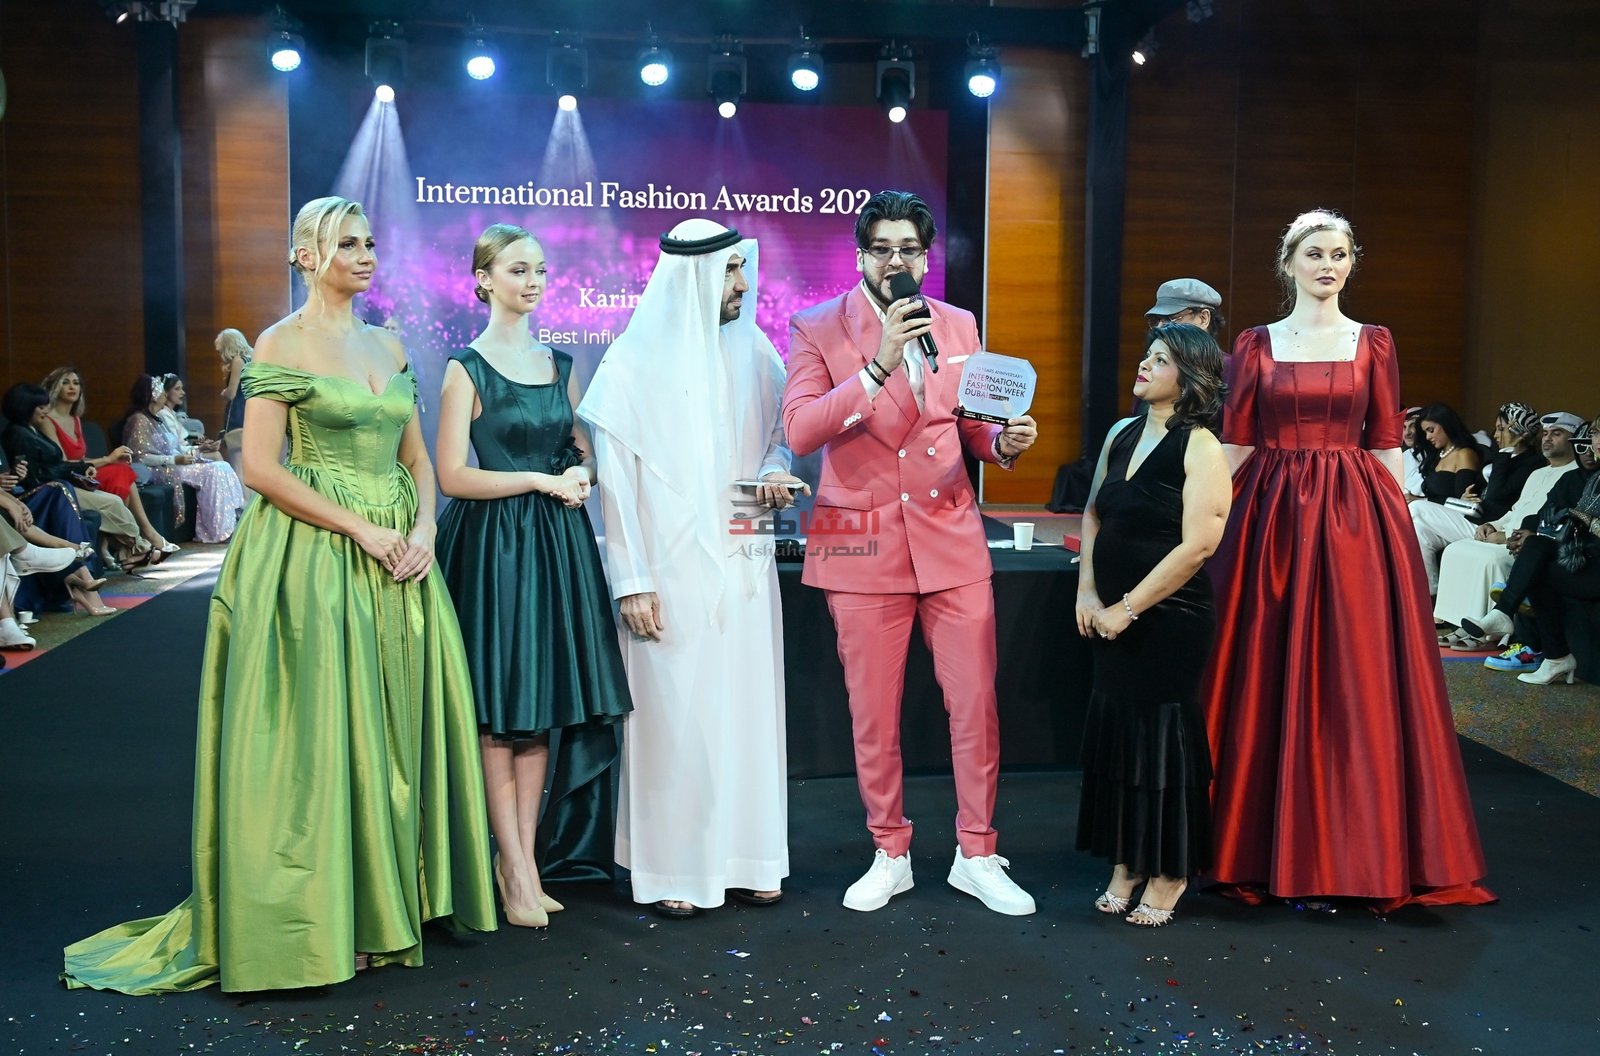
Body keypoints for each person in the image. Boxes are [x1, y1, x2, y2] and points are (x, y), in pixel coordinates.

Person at [61, 195, 495, 995]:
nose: (365, 256)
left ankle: (389, 899)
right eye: (346, 244)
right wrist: (361, 530)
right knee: (325, 732)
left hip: (402, 555)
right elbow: (259, 468)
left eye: (369, 243)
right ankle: (328, 912)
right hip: (315, 556)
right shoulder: (279, 342)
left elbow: (417, 459)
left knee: (392, 724)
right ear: (305, 256)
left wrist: (425, 529)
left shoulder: (389, 342)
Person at [1201, 208, 1492, 909]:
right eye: (1313, 254)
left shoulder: (1375, 343)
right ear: (1288, 263)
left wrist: (1400, 541)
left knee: (1355, 673)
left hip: (1357, 521)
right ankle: (1254, 845)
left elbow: (1387, 444)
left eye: (1338, 254)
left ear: (1352, 262)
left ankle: (1358, 852)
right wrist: (1200, 520)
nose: (1326, 265)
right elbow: (1235, 444)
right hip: (1270, 517)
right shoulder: (1255, 343)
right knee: (1264, 665)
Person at [783, 190, 1039, 916]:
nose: (895, 261)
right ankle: (888, 850)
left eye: (908, 249)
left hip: (951, 534)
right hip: (857, 540)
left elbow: (970, 425)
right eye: (882, 248)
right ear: (860, 255)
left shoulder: (958, 323)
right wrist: (877, 366)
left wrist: (1003, 443)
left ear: (926, 258)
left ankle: (977, 852)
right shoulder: (816, 326)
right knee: (873, 712)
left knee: (975, 704)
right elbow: (801, 431)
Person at [579, 218, 804, 919]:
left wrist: (774, 470)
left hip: (742, 555)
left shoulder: (755, 348)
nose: (742, 283)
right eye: (730, 271)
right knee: (676, 720)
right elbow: (616, 486)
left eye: (742, 269)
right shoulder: (633, 360)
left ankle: (750, 857)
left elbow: (781, 435)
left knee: (746, 712)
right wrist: (632, 581)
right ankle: (674, 866)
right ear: (695, 277)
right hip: (666, 571)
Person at [435, 224, 633, 929]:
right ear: (483, 279)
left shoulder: (559, 363)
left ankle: (523, 861)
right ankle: (513, 865)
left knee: (539, 702)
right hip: (493, 549)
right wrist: (538, 481)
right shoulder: (465, 368)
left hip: (555, 546)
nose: (534, 281)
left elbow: (582, 450)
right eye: (518, 269)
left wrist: (580, 473)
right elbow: (452, 476)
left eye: (541, 269)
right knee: (499, 707)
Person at [1073, 323, 1231, 927]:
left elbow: (1199, 546)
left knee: (1162, 741)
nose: (1143, 364)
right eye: (1147, 354)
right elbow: (1093, 515)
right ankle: (1128, 862)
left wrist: (1128, 608)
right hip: (1108, 613)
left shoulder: (1202, 446)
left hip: (1170, 619)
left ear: (1188, 378)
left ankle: (1169, 871)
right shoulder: (1121, 432)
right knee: (1122, 736)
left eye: (1160, 359)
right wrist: (1088, 590)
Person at [1433, 411, 1581, 641]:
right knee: (1455, 549)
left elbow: (1552, 520)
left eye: (1557, 433)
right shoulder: (1538, 473)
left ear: (1575, 439)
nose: (1548, 438)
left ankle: (1486, 633)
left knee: (1489, 559)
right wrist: (1491, 525)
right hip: (1505, 534)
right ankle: (1462, 623)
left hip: (1526, 542)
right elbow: (1515, 510)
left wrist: (1506, 535)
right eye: (1545, 433)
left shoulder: (1575, 475)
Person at [2, 384, 156, 570]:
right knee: (111, 503)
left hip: (58, 484)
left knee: (114, 498)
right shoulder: (18, 434)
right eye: (41, 407)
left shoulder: (30, 429)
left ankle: (133, 550)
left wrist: (83, 468)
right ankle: (138, 548)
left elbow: (53, 466)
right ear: (26, 407)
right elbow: (42, 474)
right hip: (49, 492)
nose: (46, 411)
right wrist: (83, 467)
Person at [38, 368, 174, 561]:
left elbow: (81, 458)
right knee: (120, 474)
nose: (72, 387)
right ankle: (136, 540)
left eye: (76, 383)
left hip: (82, 473)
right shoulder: (47, 419)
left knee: (122, 470)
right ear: (55, 387)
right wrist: (107, 459)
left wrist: (107, 462)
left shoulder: (75, 419)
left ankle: (117, 545)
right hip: (66, 478)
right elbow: (64, 463)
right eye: (65, 382)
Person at [1411, 401, 1544, 598]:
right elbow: (1486, 490)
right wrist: (1468, 496)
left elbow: (1497, 494)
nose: (1495, 435)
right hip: (1475, 515)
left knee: (1416, 508)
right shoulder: (1506, 458)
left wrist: (1505, 452)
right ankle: (1429, 594)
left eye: (1501, 429)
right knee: (1420, 530)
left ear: (1519, 432)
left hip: (1489, 526)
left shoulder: (1532, 462)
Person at [122, 374, 244, 543]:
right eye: (161, 391)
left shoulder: (157, 420)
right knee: (214, 471)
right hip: (160, 470)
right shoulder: (139, 420)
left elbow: (176, 448)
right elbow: (140, 457)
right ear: (152, 395)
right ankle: (217, 531)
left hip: (174, 464)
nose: (164, 394)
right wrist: (174, 460)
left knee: (222, 466)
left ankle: (232, 521)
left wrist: (199, 450)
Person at [1404, 403, 1483, 505]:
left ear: (1446, 425)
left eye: (1431, 430)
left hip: (1455, 513)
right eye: (1425, 433)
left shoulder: (1465, 454)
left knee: (1415, 507)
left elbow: (1463, 501)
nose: (1428, 437)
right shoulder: (1436, 456)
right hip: (1430, 511)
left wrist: (1419, 500)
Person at [1144, 278, 1226, 342]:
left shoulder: (1222, 360)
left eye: (1172, 318)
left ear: (1203, 318)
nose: (1159, 327)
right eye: (1156, 320)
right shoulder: (1152, 359)